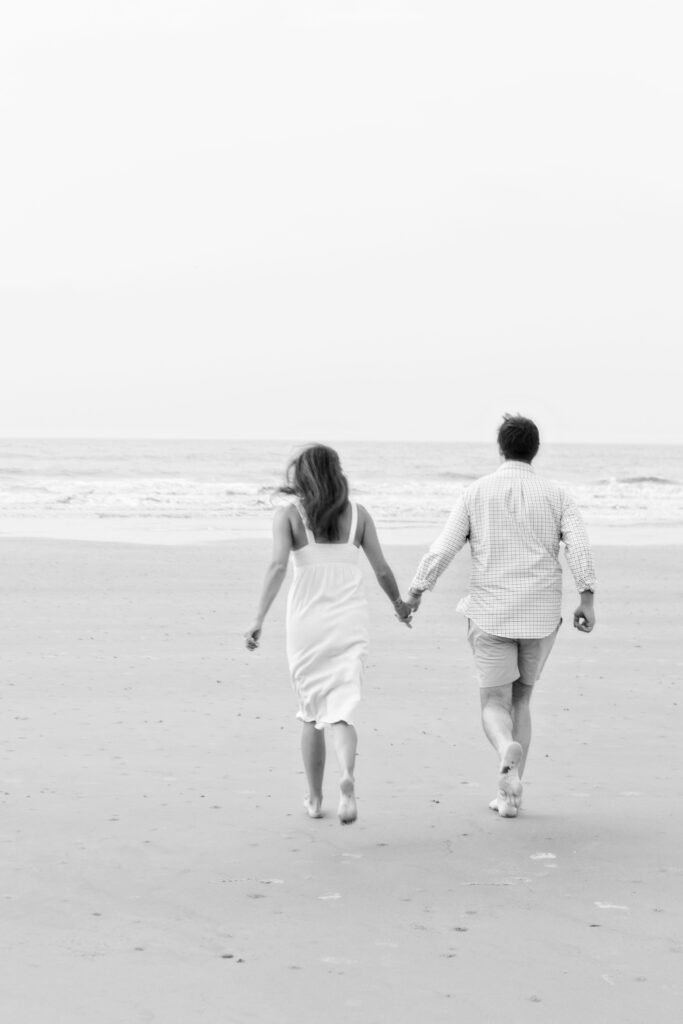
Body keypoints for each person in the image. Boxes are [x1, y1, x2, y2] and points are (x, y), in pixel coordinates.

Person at [405, 415, 596, 818]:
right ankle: (511, 796)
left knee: (494, 700)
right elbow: (578, 545)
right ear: (535, 449)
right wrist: (587, 597)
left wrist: (418, 588)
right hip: (541, 615)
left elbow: (444, 547)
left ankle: (504, 758)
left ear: (501, 448)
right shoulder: (557, 494)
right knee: (522, 699)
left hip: (491, 613)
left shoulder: (475, 493)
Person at [245, 444, 413, 825]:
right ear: (337, 473)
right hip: (350, 621)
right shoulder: (359, 516)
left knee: (310, 712)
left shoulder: (289, 515)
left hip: (306, 624)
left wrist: (258, 619)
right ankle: (347, 777)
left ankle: (316, 797)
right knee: (342, 709)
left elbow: (276, 568)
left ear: (301, 476)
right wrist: (400, 606)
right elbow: (383, 570)